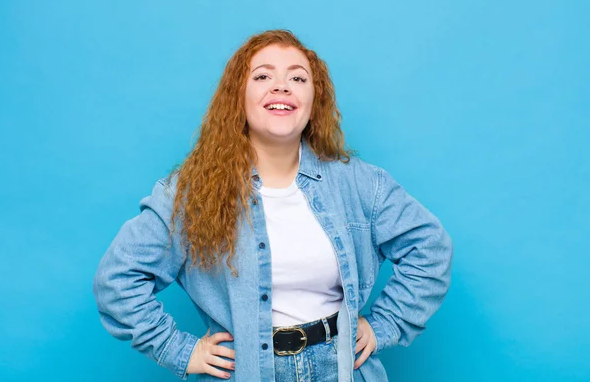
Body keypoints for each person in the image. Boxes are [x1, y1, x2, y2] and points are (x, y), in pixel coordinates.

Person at [92, 29, 453, 382]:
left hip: (341, 369)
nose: (281, 86)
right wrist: (180, 351)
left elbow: (430, 248)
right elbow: (117, 281)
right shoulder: (191, 193)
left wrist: (384, 324)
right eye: (263, 75)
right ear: (238, 97)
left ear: (314, 102)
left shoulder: (359, 184)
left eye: (298, 78)